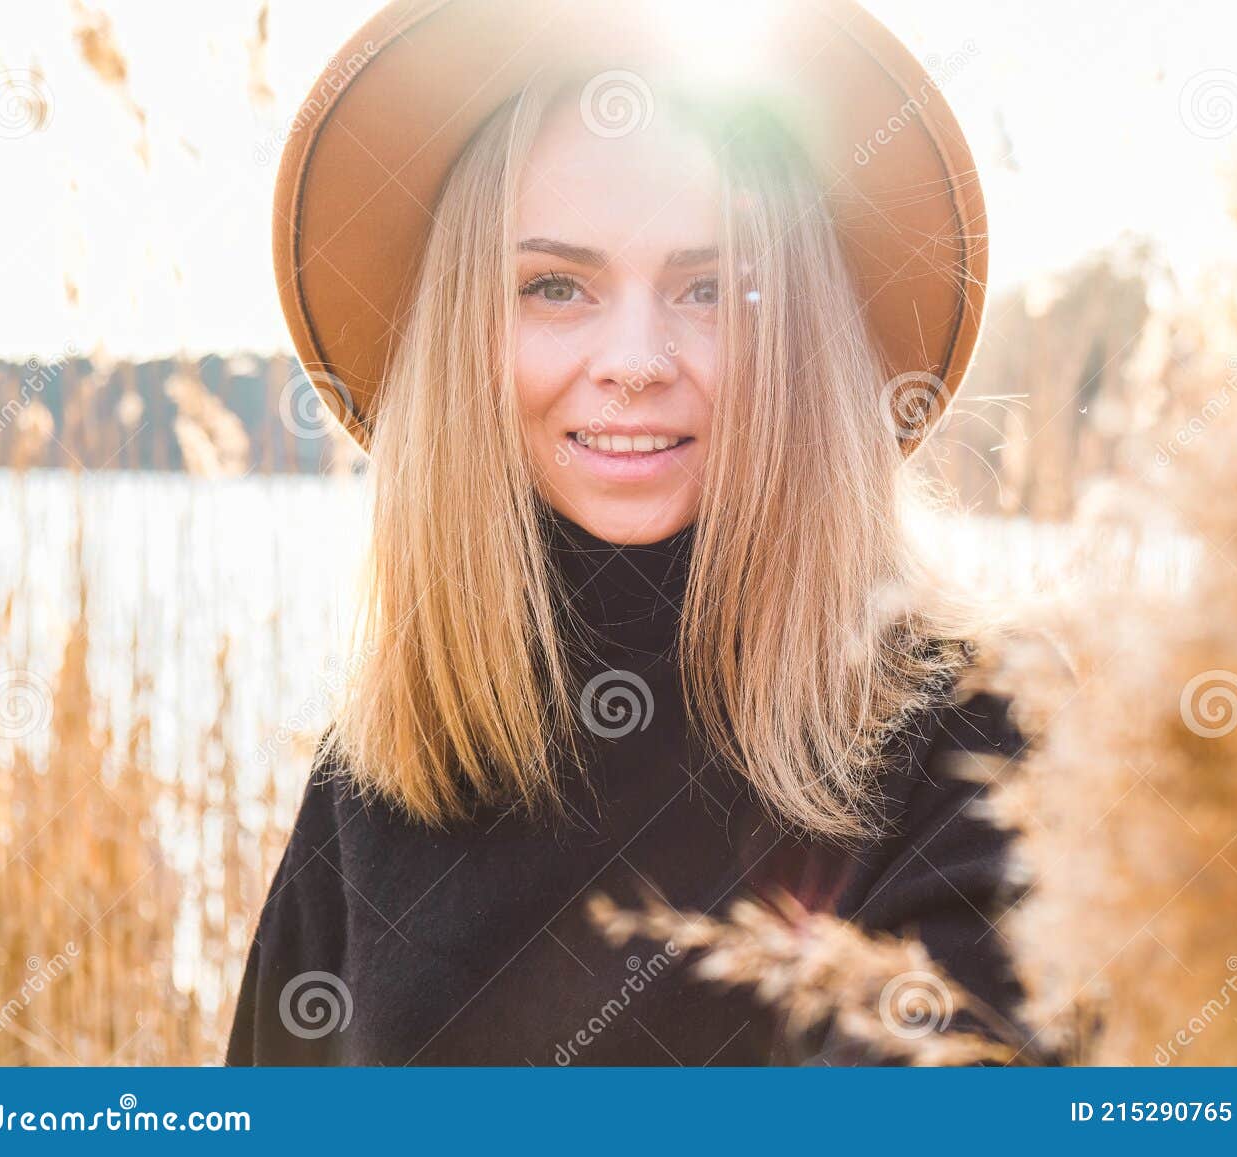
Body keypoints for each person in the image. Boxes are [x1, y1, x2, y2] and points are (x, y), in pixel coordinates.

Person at [228, 0, 1040, 1066]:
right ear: (468, 332)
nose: (636, 357)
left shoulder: (970, 739)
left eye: (710, 287)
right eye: (555, 285)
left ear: (801, 336)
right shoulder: (380, 769)